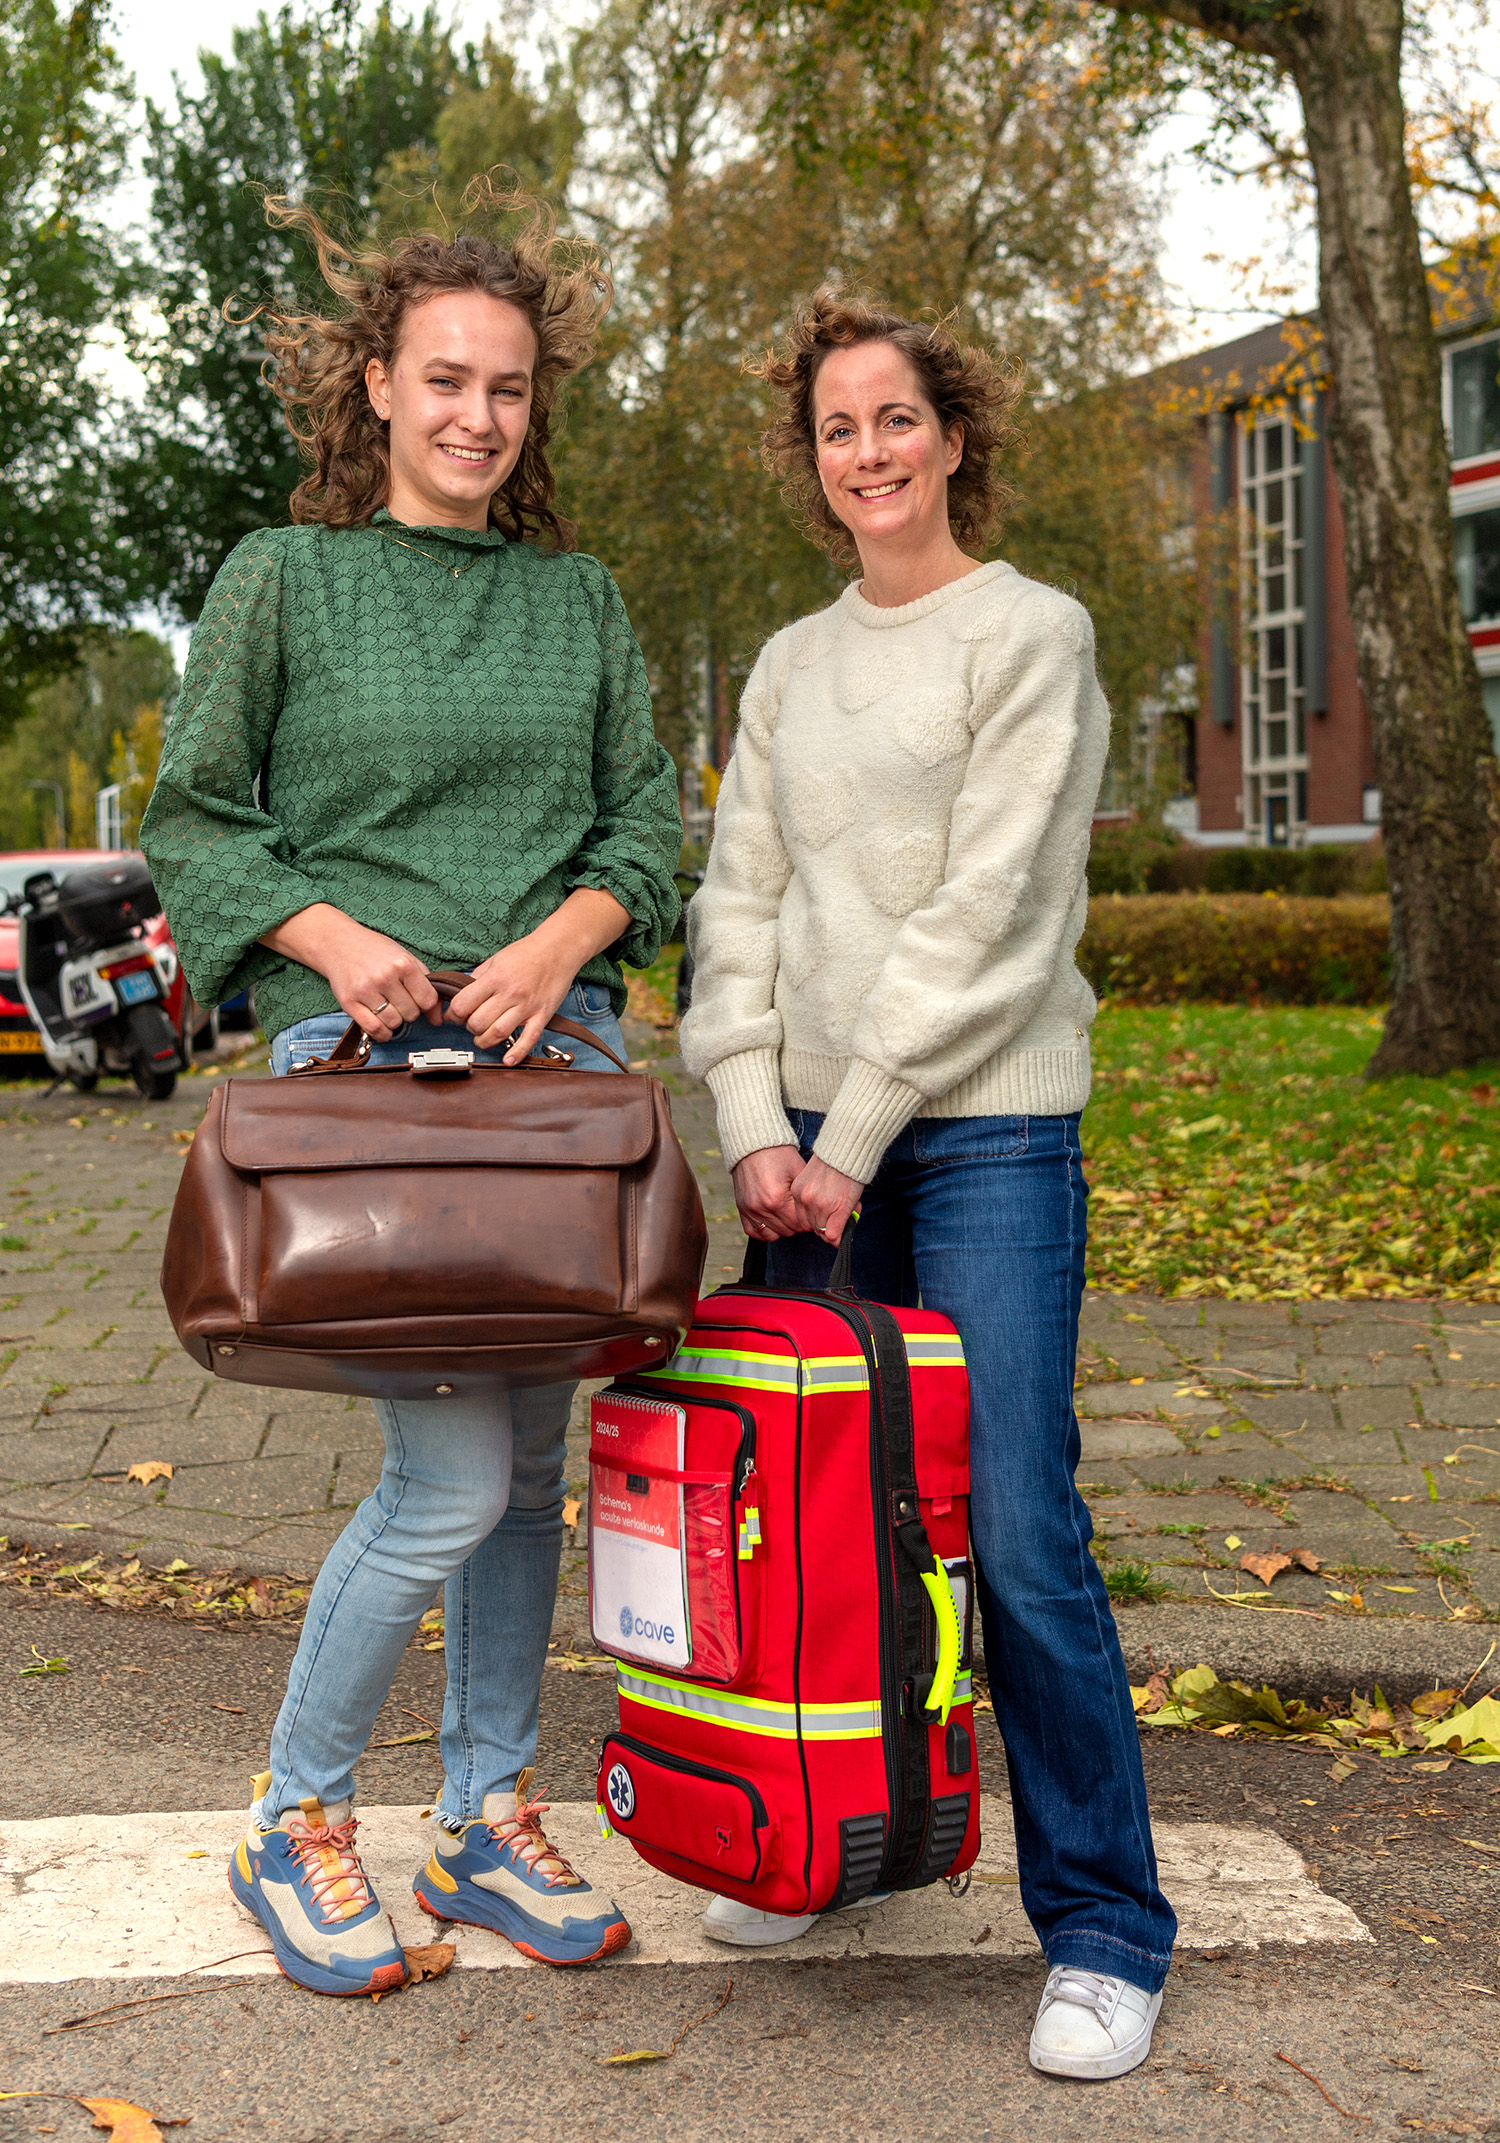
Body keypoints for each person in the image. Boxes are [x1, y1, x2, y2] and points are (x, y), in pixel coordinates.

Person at [141, 185, 682, 1996]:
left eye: (509, 388)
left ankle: (480, 1816)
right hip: (361, 1071)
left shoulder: (580, 599)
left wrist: (554, 947)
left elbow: (643, 826)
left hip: (560, 1072)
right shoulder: (280, 582)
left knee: (532, 1482)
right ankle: (294, 1820)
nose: (477, 416)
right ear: (375, 385)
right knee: (450, 1482)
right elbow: (202, 824)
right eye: (444, 379)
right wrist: (334, 937)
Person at [678, 290, 1176, 2080]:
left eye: (895, 419)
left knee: (1020, 1534)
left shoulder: (1033, 634)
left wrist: (849, 1126)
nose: (868, 453)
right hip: (795, 1152)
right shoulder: (791, 663)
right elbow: (736, 903)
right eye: (836, 429)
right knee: (811, 1530)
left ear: (953, 436)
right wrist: (747, 1106)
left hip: (977, 1136)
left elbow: (996, 909)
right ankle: (830, 1846)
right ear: (813, 465)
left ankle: (1109, 1926)